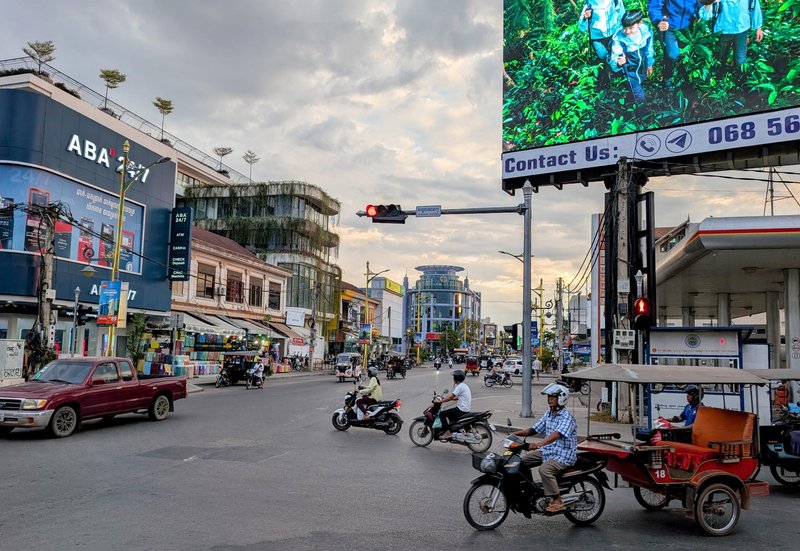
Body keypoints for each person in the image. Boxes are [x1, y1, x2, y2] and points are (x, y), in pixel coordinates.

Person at [512, 383, 578, 513]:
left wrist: (539, 444)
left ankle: (557, 500)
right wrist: (514, 434)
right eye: (549, 397)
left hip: (564, 453)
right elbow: (534, 429)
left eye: (553, 397)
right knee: (521, 462)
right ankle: (531, 490)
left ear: (561, 398)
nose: (550, 399)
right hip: (549, 450)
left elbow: (556, 434)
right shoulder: (549, 414)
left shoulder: (567, 417)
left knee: (544, 470)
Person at [698, 0, 763, 75]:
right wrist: (709, 2)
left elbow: (755, 7)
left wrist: (758, 27)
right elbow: (705, 16)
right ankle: (719, 76)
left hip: (742, 30)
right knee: (719, 58)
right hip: (722, 31)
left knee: (740, 60)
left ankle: (739, 78)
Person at [648, 0, 701, 90]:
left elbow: (700, 3)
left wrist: (700, 12)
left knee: (684, 53)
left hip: (687, 25)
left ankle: (683, 77)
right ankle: (667, 80)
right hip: (669, 26)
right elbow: (654, 6)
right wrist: (658, 21)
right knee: (672, 54)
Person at [611, 10, 655, 105]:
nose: (627, 31)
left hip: (642, 68)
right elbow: (614, 59)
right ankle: (643, 112)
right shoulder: (619, 39)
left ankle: (629, 105)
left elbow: (649, 49)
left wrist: (649, 64)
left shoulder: (646, 31)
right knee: (639, 96)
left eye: (631, 28)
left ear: (639, 23)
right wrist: (619, 63)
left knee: (634, 91)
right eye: (625, 28)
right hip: (628, 71)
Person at [578, 0, 627, 86]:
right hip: (597, 38)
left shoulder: (616, 1)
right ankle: (606, 82)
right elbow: (581, 28)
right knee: (604, 58)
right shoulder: (590, 3)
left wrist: (623, 32)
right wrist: (585, 18)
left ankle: (620, 81)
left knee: (616, 58)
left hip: (614, 35)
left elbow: (622, 16)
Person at [437, 370, 472, 438]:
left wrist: (441, 401)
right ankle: (455, 430)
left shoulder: (459, 387)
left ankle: (447, 433)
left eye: (454, 377)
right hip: (466, 408)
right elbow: (457, 397)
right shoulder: (464, 385)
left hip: (461, 409)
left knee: (442, 414)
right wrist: (446, 399)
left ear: (456, 378)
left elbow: (451, 397)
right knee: (451, 416)